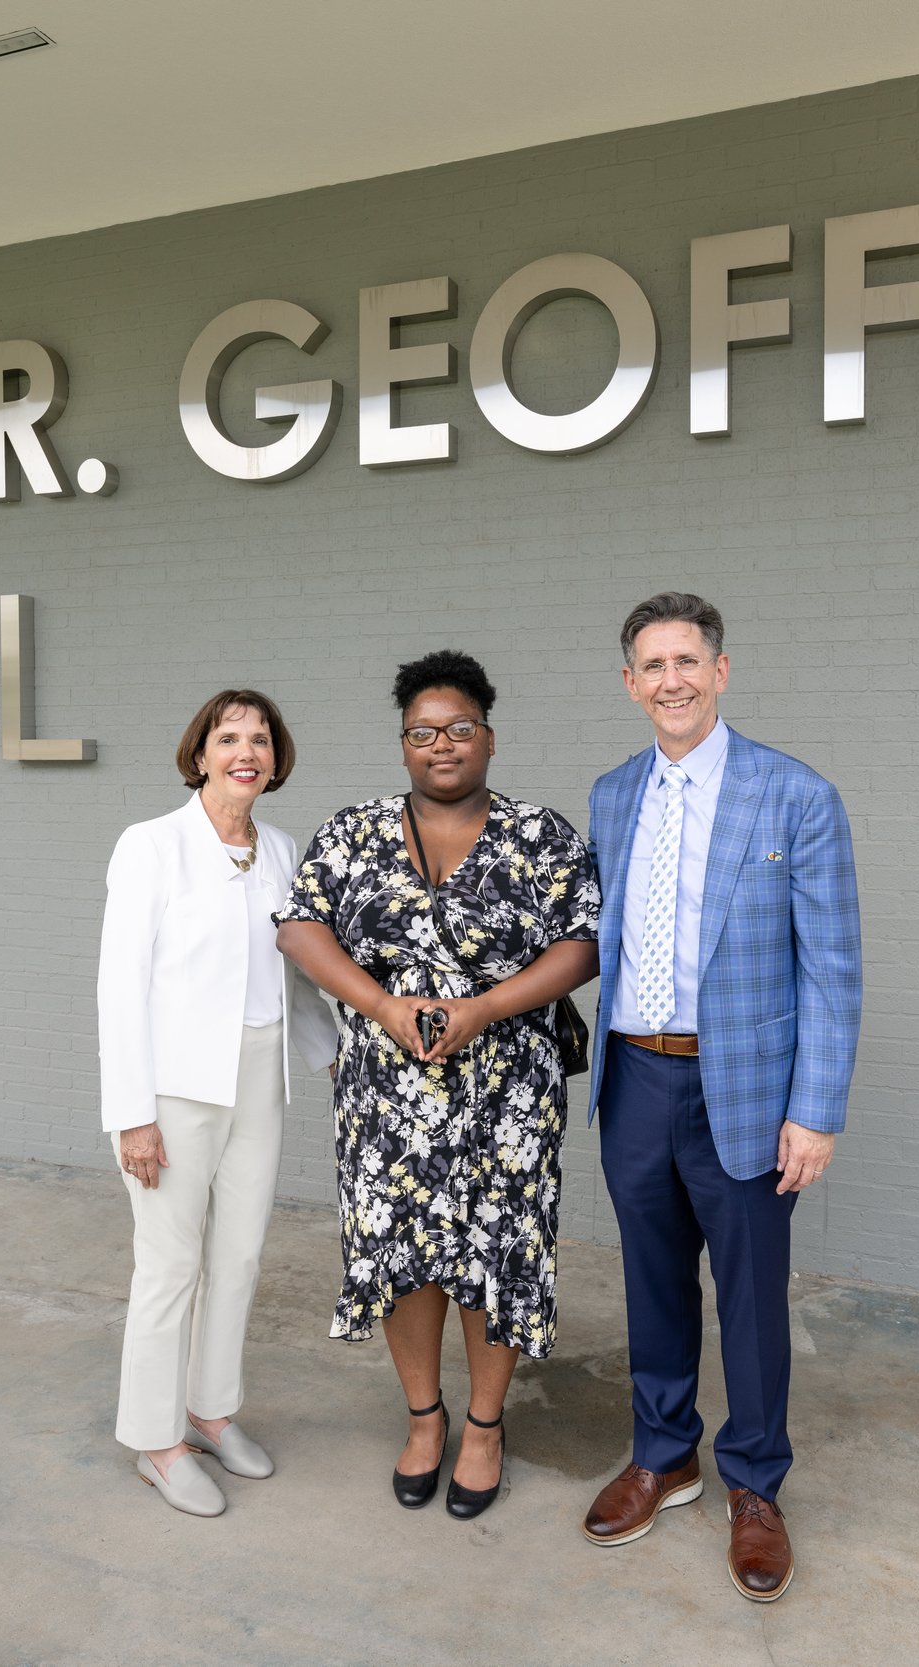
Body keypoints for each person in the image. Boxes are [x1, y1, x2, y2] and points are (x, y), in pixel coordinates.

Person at [579, 592, 861, 1602]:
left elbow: (831, 967)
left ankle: (754, 1482)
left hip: (744, 1086)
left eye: (687, 660)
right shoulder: (613, 794)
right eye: (651, 664)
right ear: (629, 682)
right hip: (635, 1077)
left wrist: (815, 1107)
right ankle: (664, 1453)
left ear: (722, 669)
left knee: (748, 1299)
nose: (672, 679)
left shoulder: (795, 795)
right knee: (652, 1283)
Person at [276, 651, 601, 1519]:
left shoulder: (540, 835)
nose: (441, 745)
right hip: (387, 1089)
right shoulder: (354, 831)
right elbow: (299, 928)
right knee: (402, 1254)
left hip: (510, 1088)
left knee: (497, 1254)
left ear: (489, 738)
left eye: (459, 728)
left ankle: (487, 1427)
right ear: (404, 745)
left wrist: (486, 1006)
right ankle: (425, 1418)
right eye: (422, 732)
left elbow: (583, 943)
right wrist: (381, 1004)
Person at [97, 689, 337, 1517]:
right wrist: (133, 1111)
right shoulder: (152, 846)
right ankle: (156, 1444)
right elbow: (119, 986)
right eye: (229, 737)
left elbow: (297, 966)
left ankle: (209, 1411)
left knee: (237, 1259)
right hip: (172, 1088)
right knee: (169, 1264)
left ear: (275, 758)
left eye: (261, 738)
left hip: (258, 1079)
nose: (247, 751)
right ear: (199, 752)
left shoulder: (279, 847)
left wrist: (338, 1056)